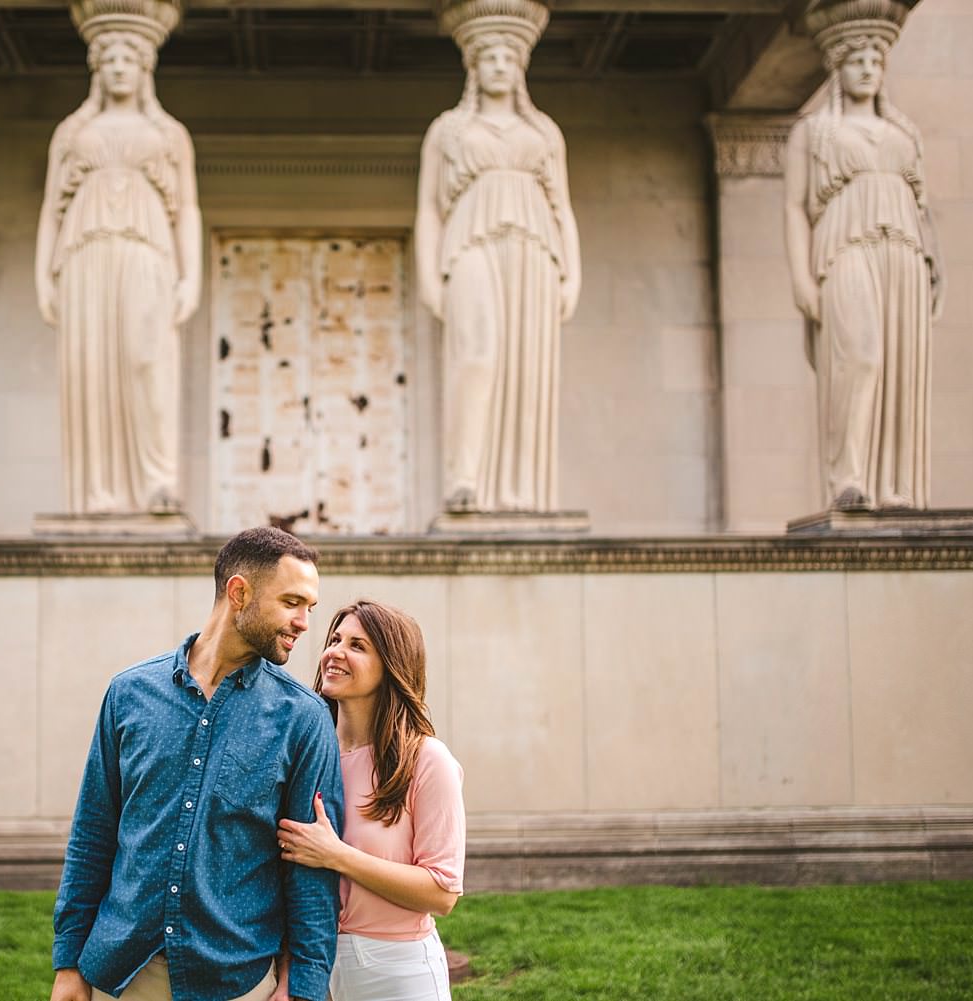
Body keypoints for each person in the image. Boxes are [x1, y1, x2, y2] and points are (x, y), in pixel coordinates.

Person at [51, 526, 345, 1001]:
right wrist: (68, 963)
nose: (305, 622)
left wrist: (302, 987)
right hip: (121, 974)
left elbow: (311, 870)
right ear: (239, 592)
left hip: (235, 981)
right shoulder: (128, 694)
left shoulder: (303, 719)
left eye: (309, 608)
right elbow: (93, 833)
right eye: (292, 602)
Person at [414, 0, 581, 514]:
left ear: (522, 65)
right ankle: (465, 479)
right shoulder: (449, 131)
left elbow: (564, 209)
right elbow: (429, 210)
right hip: (470, 245)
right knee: (477, 357)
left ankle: (520, 494)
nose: (500, 65)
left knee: (523, 366)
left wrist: (572, 275)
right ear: (473, 65)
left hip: (534, 252)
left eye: (509, 56)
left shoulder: (544, 133)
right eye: (489, 56)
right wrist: (429, 279)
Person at [34, 22, 201, 516]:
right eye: (110, 60)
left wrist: (191, 275)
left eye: (129, 59)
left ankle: (157, 481)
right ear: (97, 70)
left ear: (145, 67)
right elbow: (50, 209)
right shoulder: (73, 132)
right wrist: (43, 274)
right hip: (85, 256)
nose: (120, 68)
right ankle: (97, 493)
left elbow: (187, 208)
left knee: (146, 361)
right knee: (92, 363)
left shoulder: (168, 134)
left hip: (147, 252)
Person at [784, 2, 941, 511]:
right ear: (837, 66)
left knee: (899, 366)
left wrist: (935, 266)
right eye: (858, 59)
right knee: (862, 355)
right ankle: (845, 480)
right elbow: (793, 207)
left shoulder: (905, 134)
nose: (868, 68)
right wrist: (801, 280)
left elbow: (924, 209)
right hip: (843, 250)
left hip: (902, 252)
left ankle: (897, 488)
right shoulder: (814, 133)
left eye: (876, 59)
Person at [275, 600, 465, 1001]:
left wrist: (336, 855)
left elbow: (442, 892)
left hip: (398, 971)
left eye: (358, 646)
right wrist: (290, 972)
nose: (335, 652)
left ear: (391, 667)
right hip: (316, 968)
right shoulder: (308, 755)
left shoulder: (427, 761)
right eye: (336, 639)